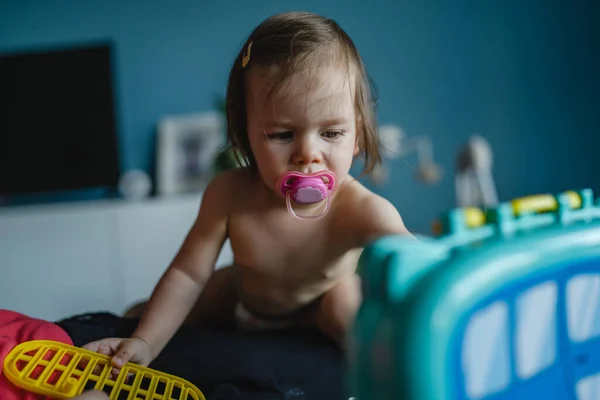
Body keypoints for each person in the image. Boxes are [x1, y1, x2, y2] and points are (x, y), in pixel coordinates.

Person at [84, 11, 410, 371]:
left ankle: (381, 373)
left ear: (358, 137)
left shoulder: (362, 209)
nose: (308, 154)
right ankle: (139, 323)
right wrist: (146, 339)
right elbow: (188, 273)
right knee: (151, 316)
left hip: (318, 306)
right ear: (247, 139)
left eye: (331, 133)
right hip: (243, 299)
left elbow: (416, 263)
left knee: (346, 309)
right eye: (282, 135)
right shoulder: (229, 194)